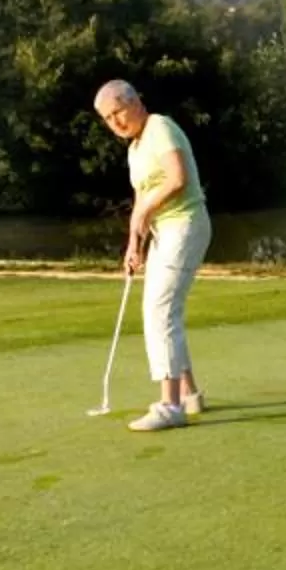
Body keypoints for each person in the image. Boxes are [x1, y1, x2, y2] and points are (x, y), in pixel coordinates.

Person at [94, 79, 209, 433]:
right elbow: (141, 201)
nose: (115, 122)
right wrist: (134, 243)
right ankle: (189, 395)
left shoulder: (160, 127)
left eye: (117, 112)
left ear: (134, 102)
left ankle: (170, 405)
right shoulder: (135, 148)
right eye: (107, 118)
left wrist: (145, 212)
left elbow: (177, 178)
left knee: (160, 311)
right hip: (163, 232)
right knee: (164, 311)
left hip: (185, 224)